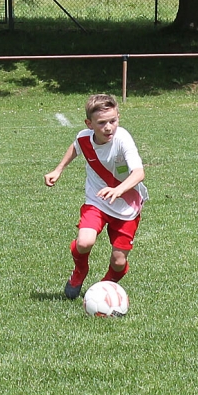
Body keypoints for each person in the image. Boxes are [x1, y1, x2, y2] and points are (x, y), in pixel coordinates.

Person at [45, 94, 148, 298]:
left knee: (119, 261)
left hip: (127, 206)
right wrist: (58, 169)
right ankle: (80, 270)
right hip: (97, 201)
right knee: (84, 242)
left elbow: (139, 173)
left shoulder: (123, 139)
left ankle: (104, 287)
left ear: (118, 117)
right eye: (101, 123)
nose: (109, 127)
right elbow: (75, 147)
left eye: (113, 121)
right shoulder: (84, 137)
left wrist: (118, 190)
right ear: (89, 124)